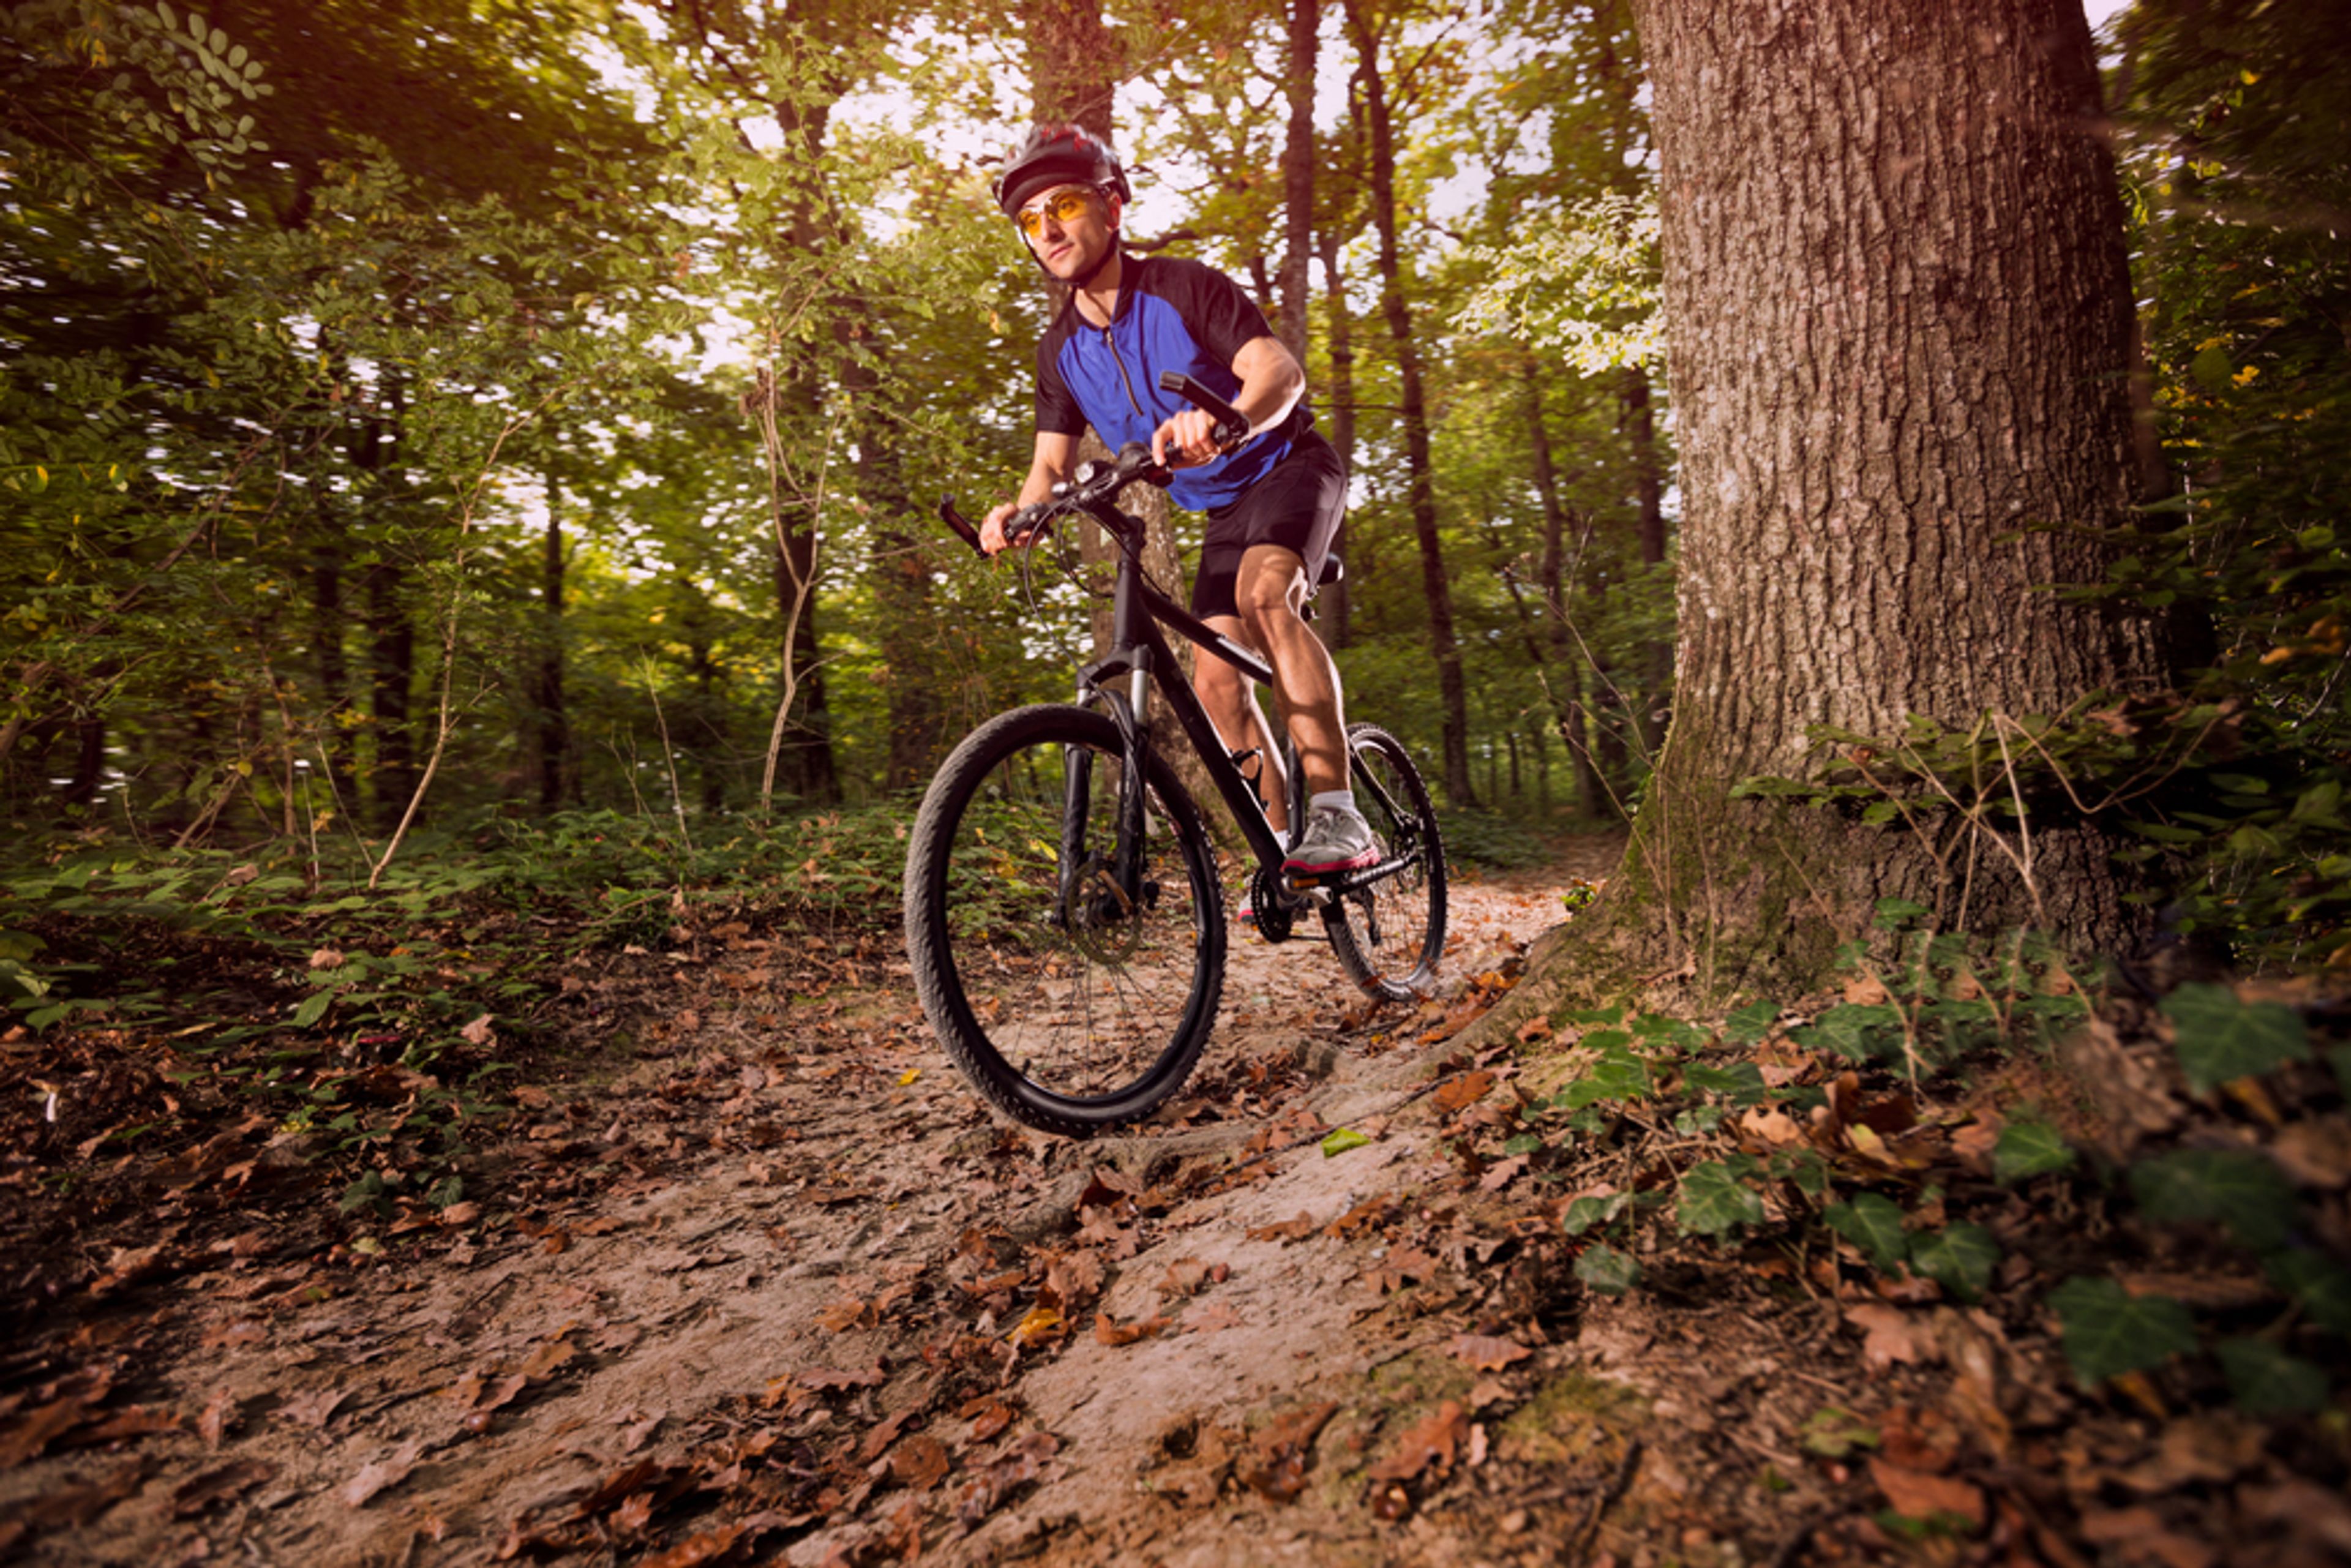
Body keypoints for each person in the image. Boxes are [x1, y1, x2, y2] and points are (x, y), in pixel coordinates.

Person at [978, 124, 1377, 883]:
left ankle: (1337, 810)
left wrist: (1227, 420)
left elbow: (1279, 373)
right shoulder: (1059, 348)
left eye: (1064, 204)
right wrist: (1018, 513)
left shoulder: (1185, 287)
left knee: (1267, 597)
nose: (1049, 228)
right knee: (1215, 682)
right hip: (1224, 510)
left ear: (1113, 208)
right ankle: (1284, 847)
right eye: (1031, 219)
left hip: (1289, 467)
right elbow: (1048, 464)